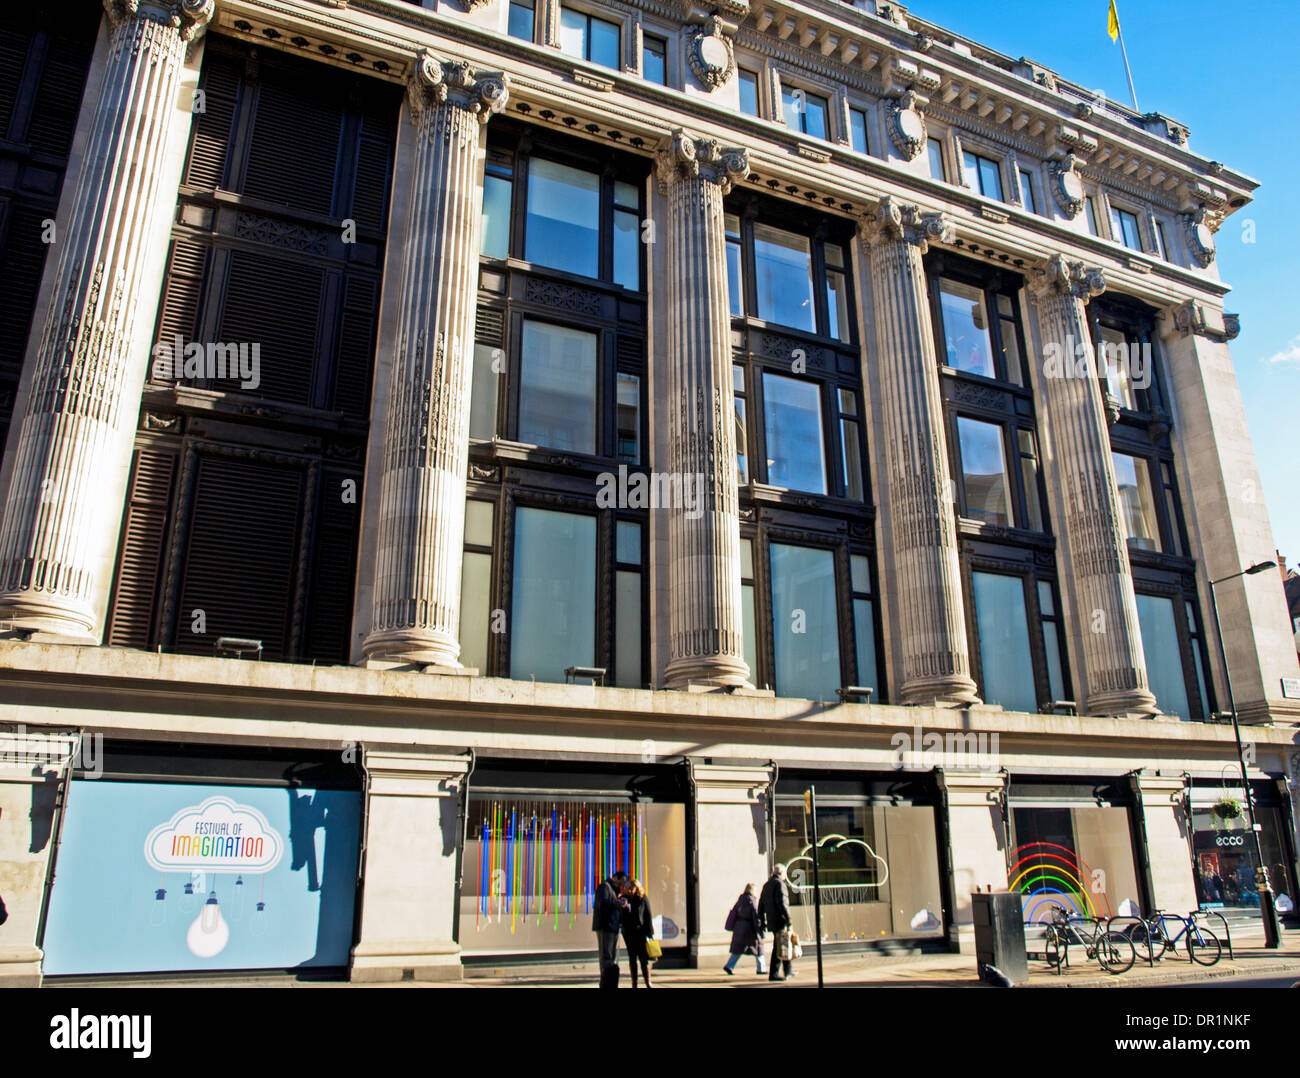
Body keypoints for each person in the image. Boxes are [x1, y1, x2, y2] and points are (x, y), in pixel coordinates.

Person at [593, 869, 629, 988]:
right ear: (615, 877)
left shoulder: (612, 889)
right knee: (606, 955)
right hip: (606, 926)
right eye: (620, 881)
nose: (621, 885)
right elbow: (603, 904)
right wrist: (618, 903)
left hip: (611, 927)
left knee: (610, 956)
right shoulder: (605, 887)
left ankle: (608, 980)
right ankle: (605, 981)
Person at [759, 863, 793, 982]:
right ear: (781, 873)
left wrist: (762, 920)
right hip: (780, 920)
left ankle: (788, 970)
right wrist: (789, 920)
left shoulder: (767, 885)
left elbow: (761, 904)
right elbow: (783, 903)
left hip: (772, 920)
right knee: (780, 946)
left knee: (783, 944)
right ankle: (775, 973)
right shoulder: (779, 884)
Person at [723, 883, 765, 975]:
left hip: (739, 927)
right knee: (759, 947)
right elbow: (755, 915)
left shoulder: (740, 900)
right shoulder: (752, 900)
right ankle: (761, 968)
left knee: (738, 949)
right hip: (749, 928)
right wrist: (760, 929)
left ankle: (729, 965)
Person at [621, 878, 656, 988]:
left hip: (640, 932)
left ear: (637, 888)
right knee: (632, 958)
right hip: (629, 932)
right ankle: (634, 983)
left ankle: (647, 981)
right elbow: (622, 916)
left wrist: (650, 933)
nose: (630, 890)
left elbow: (648, 916)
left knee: (643, 958)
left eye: (632, 888)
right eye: (628, 888)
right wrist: (624, 907)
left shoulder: (643, 899)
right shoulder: (624, 899)